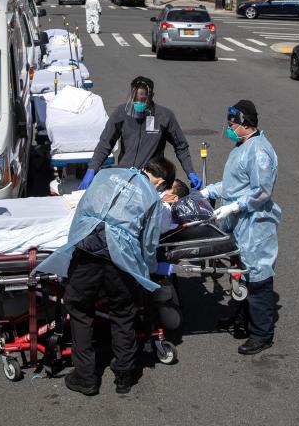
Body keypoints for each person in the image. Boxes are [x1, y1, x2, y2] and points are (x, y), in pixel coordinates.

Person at [35, 156, 174, 396]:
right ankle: (124, 377)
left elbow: (81, 212)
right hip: (120, 260)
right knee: (123, 314)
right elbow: (149, 241)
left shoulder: (107, 175)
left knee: (79, 309)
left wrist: (73, 247)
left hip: (88, 249)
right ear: (160, 182)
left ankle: (85, 377)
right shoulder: (151, 197)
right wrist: (148, 270)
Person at [200, 100, 281, 355]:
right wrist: (208, 191)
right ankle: (243, 321)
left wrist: (235, 207)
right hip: (240, 224)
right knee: (241, 273)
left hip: (255, 225)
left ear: (245, 123)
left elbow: (261, 192)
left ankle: (262, 334)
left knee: (258, 278)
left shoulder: (258, 152)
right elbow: (233, 185)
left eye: (233, 122)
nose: (229, 127)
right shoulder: (242, 147)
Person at [81, 76, 201, 191]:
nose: (138, 102)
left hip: (151, 179)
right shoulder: (121, 113)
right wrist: (92, 169)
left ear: (151, 96)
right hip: (124, 175)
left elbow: (181, 147)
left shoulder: (164, 117)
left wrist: (191, 172)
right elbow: (105, 144)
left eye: (143, 100)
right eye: (135, 99)